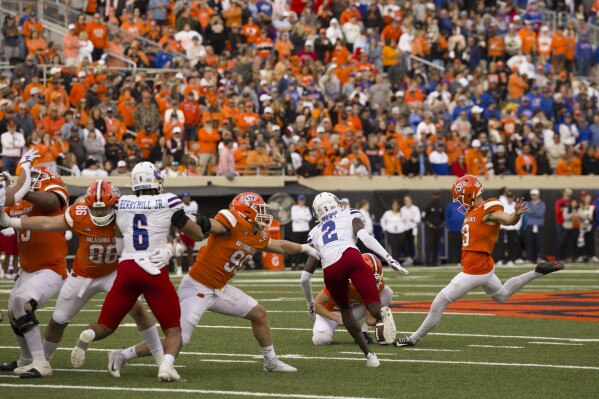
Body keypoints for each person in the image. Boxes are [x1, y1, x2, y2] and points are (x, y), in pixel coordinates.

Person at [108, 192, 320, 374]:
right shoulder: (231, 220)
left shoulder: (255, 233)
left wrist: (305, 248)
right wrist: (195, 221)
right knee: (180, 339)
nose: (263, 214)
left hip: (219, 288)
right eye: (258, 209)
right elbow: (213, 225)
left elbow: (281, 246)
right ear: (246, 211)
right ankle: (122, 355)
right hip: (197, 287)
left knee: (259, 313)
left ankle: (271, 362)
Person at [0, 180, 162, 375]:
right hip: (81, 275)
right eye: (95, 208)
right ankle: (42, 361)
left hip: (113, 272)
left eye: (105, 209)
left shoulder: (125, 214)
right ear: (88, 204)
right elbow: (47, 222)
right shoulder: (79, 213)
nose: (100, 213)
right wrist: (11, 222)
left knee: (138, 310)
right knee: (57, 321)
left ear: (115, 204)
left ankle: (160, 357)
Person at [70, 162, 208, 382]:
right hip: (153, 270)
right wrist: (171, 246)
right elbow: (197, 236)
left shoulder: (121, 203)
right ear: (156, 180)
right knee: (174, 330)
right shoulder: (169, 200)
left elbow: (118, 240)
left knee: (105, 325)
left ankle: (89, 335)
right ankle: (166, 366)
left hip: (126, 268)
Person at [395, 175, 565, 348]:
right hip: (484, 266)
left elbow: (506, 219)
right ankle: (537, 272)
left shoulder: (487, 208)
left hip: (474, 270)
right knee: (502, 295)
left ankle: (413, 338)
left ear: (468, 194)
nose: (460, 203)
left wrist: (515, 215)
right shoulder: (472, 211)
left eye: (460, 198)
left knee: (440, 301)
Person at [301, 192, 409, 367]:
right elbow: (366, 238)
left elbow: (305, 277)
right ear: (336, 203)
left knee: (345, 310)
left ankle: (370, 356)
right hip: (352, 255)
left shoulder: (315, 232)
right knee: (374, 304)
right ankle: (381, 312)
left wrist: (309, 303)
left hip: (331, 266)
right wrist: (389, 258)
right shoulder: (350, 214)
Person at [0, 150, 71, 378]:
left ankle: (42, 363)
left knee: (22, 303)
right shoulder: (19, 201)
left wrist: (24, 189)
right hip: (27, 269)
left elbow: (51, 203)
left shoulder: (48, 195)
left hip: (52, 268)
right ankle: (26, 358)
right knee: (13, 311)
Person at [312, 253, 393, 346]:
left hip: (352, 311)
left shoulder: (378, 285)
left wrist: (382, 320)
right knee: (321, 340)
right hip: (331, 313)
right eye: (370, 278)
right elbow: (316, 305)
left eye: (376, 279)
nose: (374, 283)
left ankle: (364, 333)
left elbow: (369, 319)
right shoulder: (341, 281)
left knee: (387, 291)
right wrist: (338, 318)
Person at [176, 192, 199, 274]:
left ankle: (190, 268)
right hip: (182, 229)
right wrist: (177, 233)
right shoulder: (180, 206)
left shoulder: (194, 204)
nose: (187, 198)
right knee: (180, 250)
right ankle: (179, 268)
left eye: (188, 197)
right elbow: (176, 219)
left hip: (191, 229)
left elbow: (197, 215)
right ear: (182, 199)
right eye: (185, 197)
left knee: (190, 249)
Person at [422, 191, 445, 266]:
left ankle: (435, 261)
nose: (436, 197)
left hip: (438, 229)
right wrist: (429, 224)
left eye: (437, 195)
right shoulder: (428, 206)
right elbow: (423, 217)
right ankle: (427, 261)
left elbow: (443, 218)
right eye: (435, 195)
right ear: (432, 196)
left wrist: (442, 224)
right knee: (430, 245)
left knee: (437, 245)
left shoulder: (441, 206)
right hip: (430, 229)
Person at [289, 194, 312, 269]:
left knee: (305, 247)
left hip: (305, 229)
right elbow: (294, 218)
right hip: (297, 230)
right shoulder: (294, 208)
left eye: (303, 200)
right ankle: (294, 263)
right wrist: (304, 217)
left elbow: (309, 218)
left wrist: (301, 217)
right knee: (295, 247)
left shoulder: (306, 208)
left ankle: (303, 263)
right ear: (298, 201)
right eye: (300, 200)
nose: (301, 201)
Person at [380, 199, 405, 263]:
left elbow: (406, 222)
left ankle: (397, 260)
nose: (395, 206)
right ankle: (395, 261)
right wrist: (385, 228)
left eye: (396, 205)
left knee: (399, 246)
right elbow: (382, 220)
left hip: (400, 232)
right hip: (390, 231)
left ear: (398, 206)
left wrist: (404, 228)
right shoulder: (387, 213)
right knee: (394, 247)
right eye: (394, 205)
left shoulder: (401, 213)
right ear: (392, 206)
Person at [526, 189, 546, 263]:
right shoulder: (528, 203)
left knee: (540, 242)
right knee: (530, 242)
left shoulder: (542, 203)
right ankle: (531, 258)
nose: (533, 196)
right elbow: (527, 213)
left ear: (538, 195)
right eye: (532, 195)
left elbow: (540, 214)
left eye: (535, 195)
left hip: (539, 224)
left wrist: (531, 211)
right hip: (530, 224)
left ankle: (541, 257)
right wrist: (535, 211)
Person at [400, 195, 420, 266]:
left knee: (412, 244)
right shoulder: (402, 209)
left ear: (411, 200)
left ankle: (413, 258)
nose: (407, 202)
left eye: (408, 200)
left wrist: (412, 220)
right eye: (405, 200)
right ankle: (407, 257)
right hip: (404, 229)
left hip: (412, 229)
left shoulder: (415, 209)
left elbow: (417, 219)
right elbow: (401, 219)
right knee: (404, 244)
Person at [445, 200, 465, 265]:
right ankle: (454, 260)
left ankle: (463, 260)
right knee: (454, 246)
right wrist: (448, 227)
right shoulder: (451, 205)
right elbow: (447, 216)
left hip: (464, 230)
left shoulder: (466, 205)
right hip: (453, 230)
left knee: (463, 246)